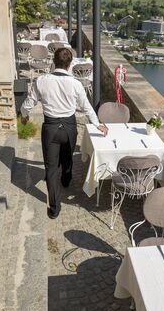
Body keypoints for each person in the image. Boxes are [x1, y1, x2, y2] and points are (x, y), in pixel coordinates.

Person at [20, 47, 108, 219]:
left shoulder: (41, 81)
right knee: (67, 159)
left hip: (50, 128)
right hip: (69, 128)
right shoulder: (75, 84)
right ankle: (66, 180)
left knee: (51, 169)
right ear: (69, 65)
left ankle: (54, 209)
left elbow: (28, 104)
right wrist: (98, 125)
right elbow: (87, 108)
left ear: (54, 62)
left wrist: (24, 116)